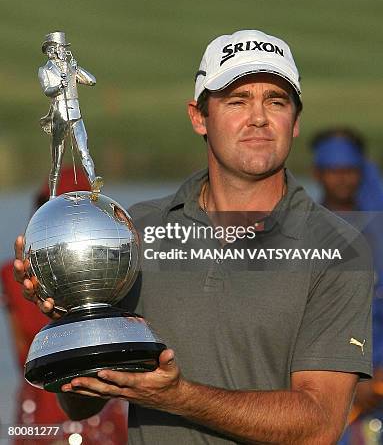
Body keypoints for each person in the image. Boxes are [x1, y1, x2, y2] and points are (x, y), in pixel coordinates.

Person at [15, 29, 373, 444]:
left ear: (295, 121)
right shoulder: (135, 230)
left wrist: (180, 397)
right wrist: (72, 319)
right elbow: (83, 403)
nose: (258, 117)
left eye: (276, 101)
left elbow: (318, 426)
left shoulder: (337, 249)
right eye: (237, 101)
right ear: (198, 117)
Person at [2, 167, 127, 445]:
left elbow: (23, 355)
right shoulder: (111, 270)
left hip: (41, 404)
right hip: (95, 405)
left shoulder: (16, 273)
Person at [311, 128, 383, 443]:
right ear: (317, 173)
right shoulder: (304, 231)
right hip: (325, 383)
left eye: (350, 171)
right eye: (333, 172)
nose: (342, 179)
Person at [38, 31, 103, 197]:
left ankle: (94, 184)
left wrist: (77, 69)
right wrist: (60, 86)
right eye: (61, 47)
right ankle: (52, 194)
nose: (63, 51)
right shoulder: (45, 70)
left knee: (84, 152)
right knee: (57, 161)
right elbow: (47, 91)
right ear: (52, 50)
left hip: (76, 115)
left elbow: (92, 81)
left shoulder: (70, 67)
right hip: (60, 117)